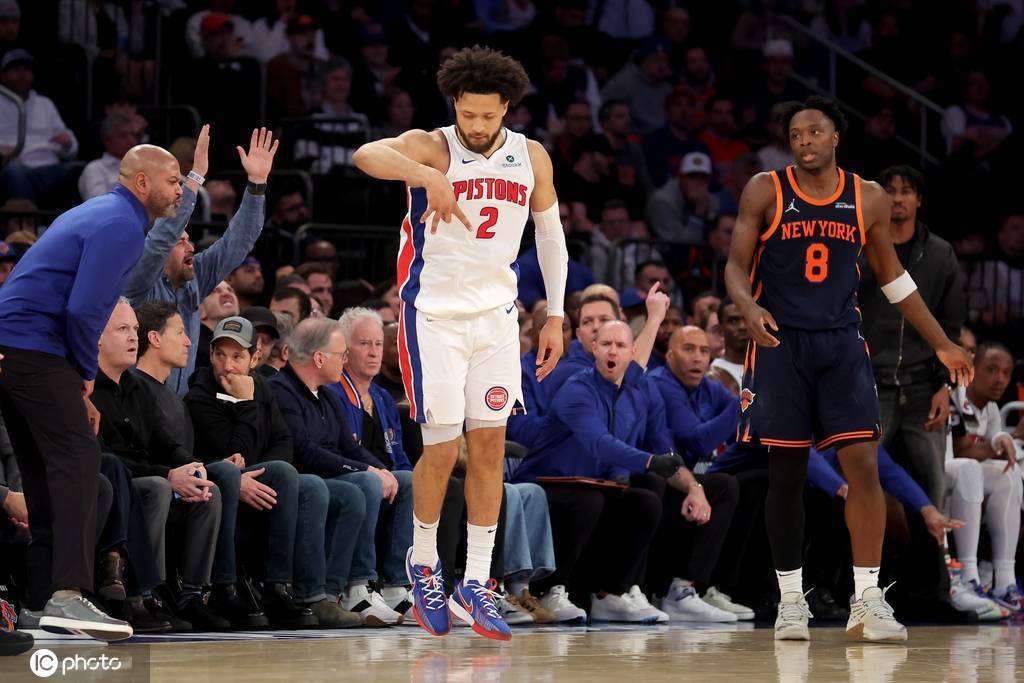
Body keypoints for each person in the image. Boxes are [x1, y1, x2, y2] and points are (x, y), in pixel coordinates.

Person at [724, 95, 973, 642]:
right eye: (795, 135)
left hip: (840, 345)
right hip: (780, 344)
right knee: (787, 475)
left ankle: (867, 601)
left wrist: (942, 344)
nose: (804, 141)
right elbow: (735, 268)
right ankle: (791, 601)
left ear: (835, 137)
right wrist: (747, 306)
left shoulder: (869, 196)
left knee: (863, 469)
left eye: (814, 132)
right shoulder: (766, 189)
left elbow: (894, 279)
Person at [352, 46, 569, 641]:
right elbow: (366, 154)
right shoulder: (433, 145)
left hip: (497, 318)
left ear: (506, 109)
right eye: (467, 113)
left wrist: (554, 315)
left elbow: (550, 236)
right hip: (434, 318)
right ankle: (424, 563)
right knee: (443, 450)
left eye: (487, 115)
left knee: (491, 450)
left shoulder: (532, 155)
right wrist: (426, 177)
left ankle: (475, 580)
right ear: (455, 105)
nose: (475, 124)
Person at [0, 140, 188, 640]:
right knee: (80, 460)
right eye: (173, 180)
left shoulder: (99, 212)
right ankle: (67, 594)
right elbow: (84, 310)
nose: (179, 190)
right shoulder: (122, 224)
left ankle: (41, 600)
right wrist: (85, 376)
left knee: (44, 470)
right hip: (34, 346)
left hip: (11, 347)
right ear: (142, 182)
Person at [512, 321, 687, 622]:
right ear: (593, 348)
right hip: (543, 482)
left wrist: (692, 486)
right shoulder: (577, 388)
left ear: (632, 353)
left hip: (590, 483)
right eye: (606, 344)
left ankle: (610, 593)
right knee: (589, 501)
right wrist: (649, 461)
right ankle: (550, 588)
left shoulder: (630, 390)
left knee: (644, 501)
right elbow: (599, 443)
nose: (612, 351)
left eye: (620, 346)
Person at [91, 300, 227, 630]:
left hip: (149, 475)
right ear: (97, 338)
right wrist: (168, 474)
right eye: (122, 329)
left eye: (134, 330)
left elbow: (165, 444)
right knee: (158, 488)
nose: (132, 337)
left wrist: (191, 467)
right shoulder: (87, 390)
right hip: (118, 482)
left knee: (208, 490)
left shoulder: (137, 387)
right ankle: (144, 596)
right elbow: (104, 459)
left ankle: (192, 595)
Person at [269, 318, 411, 627]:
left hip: (328, 475)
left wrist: (381, 470)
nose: (344, 360)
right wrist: (367, 470)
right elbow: (304, 451)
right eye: (341, 354)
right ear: (319, 358)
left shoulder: (327, 395)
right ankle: (348, 589)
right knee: (360, 486)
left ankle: (396, 586)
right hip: (302, 478)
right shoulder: (281, 390)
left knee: (404, 481)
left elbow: (350, 446)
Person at [123, 126, 278, 396]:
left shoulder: (195, 278)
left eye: (190, 240)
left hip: (179, 406)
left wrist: (256, 185)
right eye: (180, 242)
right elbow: (161, 239)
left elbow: (237, 243)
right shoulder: (140, 279)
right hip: (137, 402)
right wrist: (194, 178)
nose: (190, 247)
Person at [859, 166, 964, 508]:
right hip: (870, 382)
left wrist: (943, 385)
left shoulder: (940, 253)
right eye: (889, 190)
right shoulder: (860, 248)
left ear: (919, 199)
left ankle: (934, 546)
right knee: (857, 479)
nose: (897, 198)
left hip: (922, 388)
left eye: (905, 191)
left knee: (933, 485)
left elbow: (950, 326)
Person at [945, 342, 1023, 612]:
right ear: (973, 367)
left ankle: (1004, 580)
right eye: (991, 370)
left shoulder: (990, 408)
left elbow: (994, 443)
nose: (1000, 379)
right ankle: (969, 576)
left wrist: (1003, 439)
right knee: (969, 467)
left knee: (1008, 475)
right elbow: (961, 449)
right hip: (935, 473)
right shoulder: (954, 396)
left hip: (963, 481)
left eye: (1006, 373)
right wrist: (1002, 441)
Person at [0, 50, 79, 202]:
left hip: (49, 166)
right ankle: (25, 217)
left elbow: (71, 147)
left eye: (26, 70)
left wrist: (68, 144)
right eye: (16, 70)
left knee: (79, 169)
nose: (22, 75)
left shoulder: (45, 103)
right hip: (16, 165)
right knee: (15, 172)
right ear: (3, 75)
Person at [78, 114, 140, 199]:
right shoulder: (95, 169)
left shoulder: (144, 166)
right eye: (123, 136)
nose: (131, 141)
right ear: (107, 140)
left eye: (133, 135)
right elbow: (99, 204)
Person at [196, 281, 239, 371]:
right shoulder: (194, 347)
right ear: (200, 309)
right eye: (215, 291)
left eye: (230, 290)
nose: (226, 293)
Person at [709, 298, 749, 388]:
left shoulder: (769, 367)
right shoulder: (713, 376)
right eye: (734, 321)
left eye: (747, 319)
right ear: (720, 331)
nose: (742, 326)